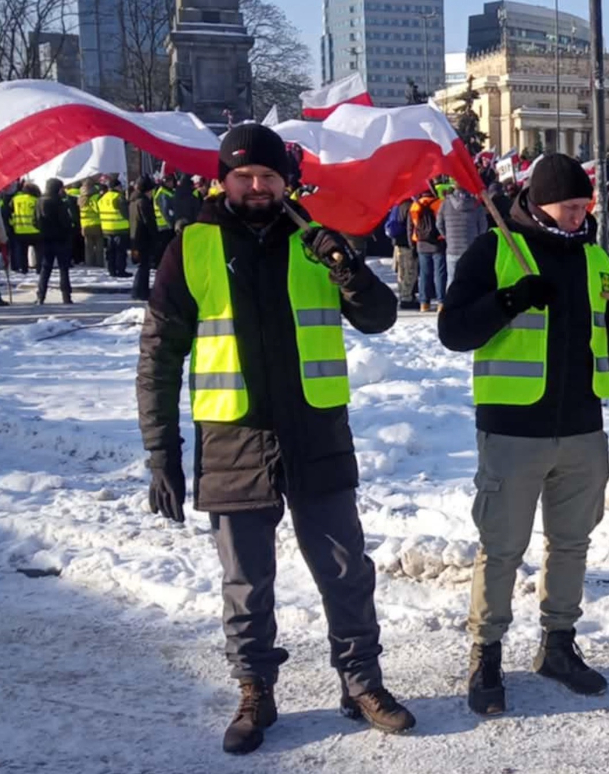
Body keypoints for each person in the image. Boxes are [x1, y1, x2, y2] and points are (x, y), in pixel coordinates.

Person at [135, 123, 415, 754]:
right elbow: (159, 354)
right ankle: (255, 687)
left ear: (286, 180)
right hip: (232, 440)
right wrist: (162, 453)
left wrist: (348, 271)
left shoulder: (318, 239)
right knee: (245, 580)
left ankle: (361, 682)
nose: (257, 187)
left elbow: (379, 318)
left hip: (315, 434)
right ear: (224, 180)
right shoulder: (193, 245)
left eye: (268, 176)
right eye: (244, 176)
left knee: (346, 572)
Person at [437, 153, 609, 717]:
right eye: (571, 207)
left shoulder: (598, 259)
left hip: (583, 428)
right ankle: (485, 653)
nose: (580, 217)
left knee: (571, 545)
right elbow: (453, 331)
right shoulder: (496, 250)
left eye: (585, 208)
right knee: (502, 548)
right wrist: (510, 299)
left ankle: (557, 645)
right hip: (513, 429)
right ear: (538, 202)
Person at [436, 182, 488, 284]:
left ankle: (452, 300)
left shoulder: (445, 203)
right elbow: (483, 226)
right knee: (472, 281)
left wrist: (447, 236)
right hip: (471, 248)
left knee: (452, 280)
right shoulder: (476, 205)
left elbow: (439, 224)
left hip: (452, 248)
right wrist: (477, 239)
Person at [34, 178, 76, 305]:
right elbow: (65, 221)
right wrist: (69, 229)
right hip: (60, 239)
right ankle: (66, 296)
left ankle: (41, 296)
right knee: (64, 268)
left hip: (45, 239)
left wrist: (43, 229)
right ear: (57, 188)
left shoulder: (39, 201)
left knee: (45, 268)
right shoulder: (58, 202)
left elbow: (34, 221)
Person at [409, 184, 444, 312]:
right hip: (437, 242)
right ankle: (441, 302)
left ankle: (424, 303)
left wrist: (412, 244)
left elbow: (411, 227)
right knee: (439, 274)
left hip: (421, 243)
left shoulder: (415, 206)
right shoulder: (440, 203)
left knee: (424, 274)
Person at [384, 199, 419, 309]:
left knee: (401, 271)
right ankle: (407, 298)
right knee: (410, 271)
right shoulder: (410, 206)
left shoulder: (397, 205)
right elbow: (410, 227)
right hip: (406, 243)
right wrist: (412, 245)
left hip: (397, 243)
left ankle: (403, 295)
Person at [129, 177, 159, 301]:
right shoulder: (143, 203)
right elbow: (149, 222)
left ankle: (138, 291)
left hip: (136, 237)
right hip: (143, 238)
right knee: (144, 267)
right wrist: (155, 236)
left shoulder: (133, 201)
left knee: (142, 266)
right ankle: (141, 291)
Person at [98, 178, 131, 278]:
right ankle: (121, 270)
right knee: (120, 251)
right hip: (120, 228)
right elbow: (126, 213)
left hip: (106, 229)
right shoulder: (118, 197)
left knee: (110, 252)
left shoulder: (102, 198)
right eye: (120, 186)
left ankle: (111, 270)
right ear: (117, 187)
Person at [9, 181, 40, 275]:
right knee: (39, 251)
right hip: (35, 230)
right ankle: (39, 268)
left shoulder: (15, 199)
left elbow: (10, 211)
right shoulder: (36, 200)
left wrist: (12, 223)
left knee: (22, 252)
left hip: (19, 230)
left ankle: (24, 269)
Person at [79, 181, 104, 269]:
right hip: (96, 224)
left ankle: (89, 263)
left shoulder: (80, 199)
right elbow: (98, 209)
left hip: (85, 225)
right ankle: (99, 262)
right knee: (99, 245)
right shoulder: (95, 197)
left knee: (88, 247)